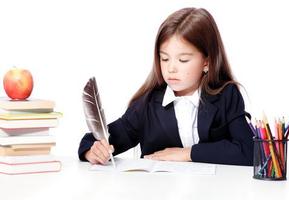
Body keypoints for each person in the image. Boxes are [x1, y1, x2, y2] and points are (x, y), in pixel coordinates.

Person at [78, 7, 254, 166]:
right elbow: (95, 139)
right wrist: (92, 151)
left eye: (183, 60)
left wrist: (188, 154)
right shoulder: (147, 103)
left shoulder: (226, 96)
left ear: (206, 62)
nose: (171, 68)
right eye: (164, 58)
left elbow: (249, 151)